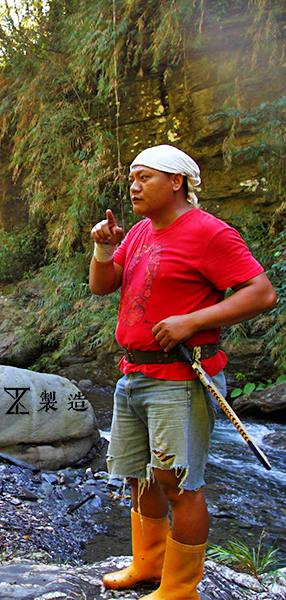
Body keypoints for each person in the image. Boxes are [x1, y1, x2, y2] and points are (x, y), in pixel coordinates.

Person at [89, 145, 276, 599]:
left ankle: (180, 588)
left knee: (179, 484)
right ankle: (147, 566)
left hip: (182, 377)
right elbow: (102, 285)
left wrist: (193, 321)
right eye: (131, 177)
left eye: (144, 177)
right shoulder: (137, 233)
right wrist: (103, 247)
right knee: (140, 475)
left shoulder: (209, 233)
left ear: (177, 181)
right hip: (134, 373)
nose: (133, 186)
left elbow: (261, 293)